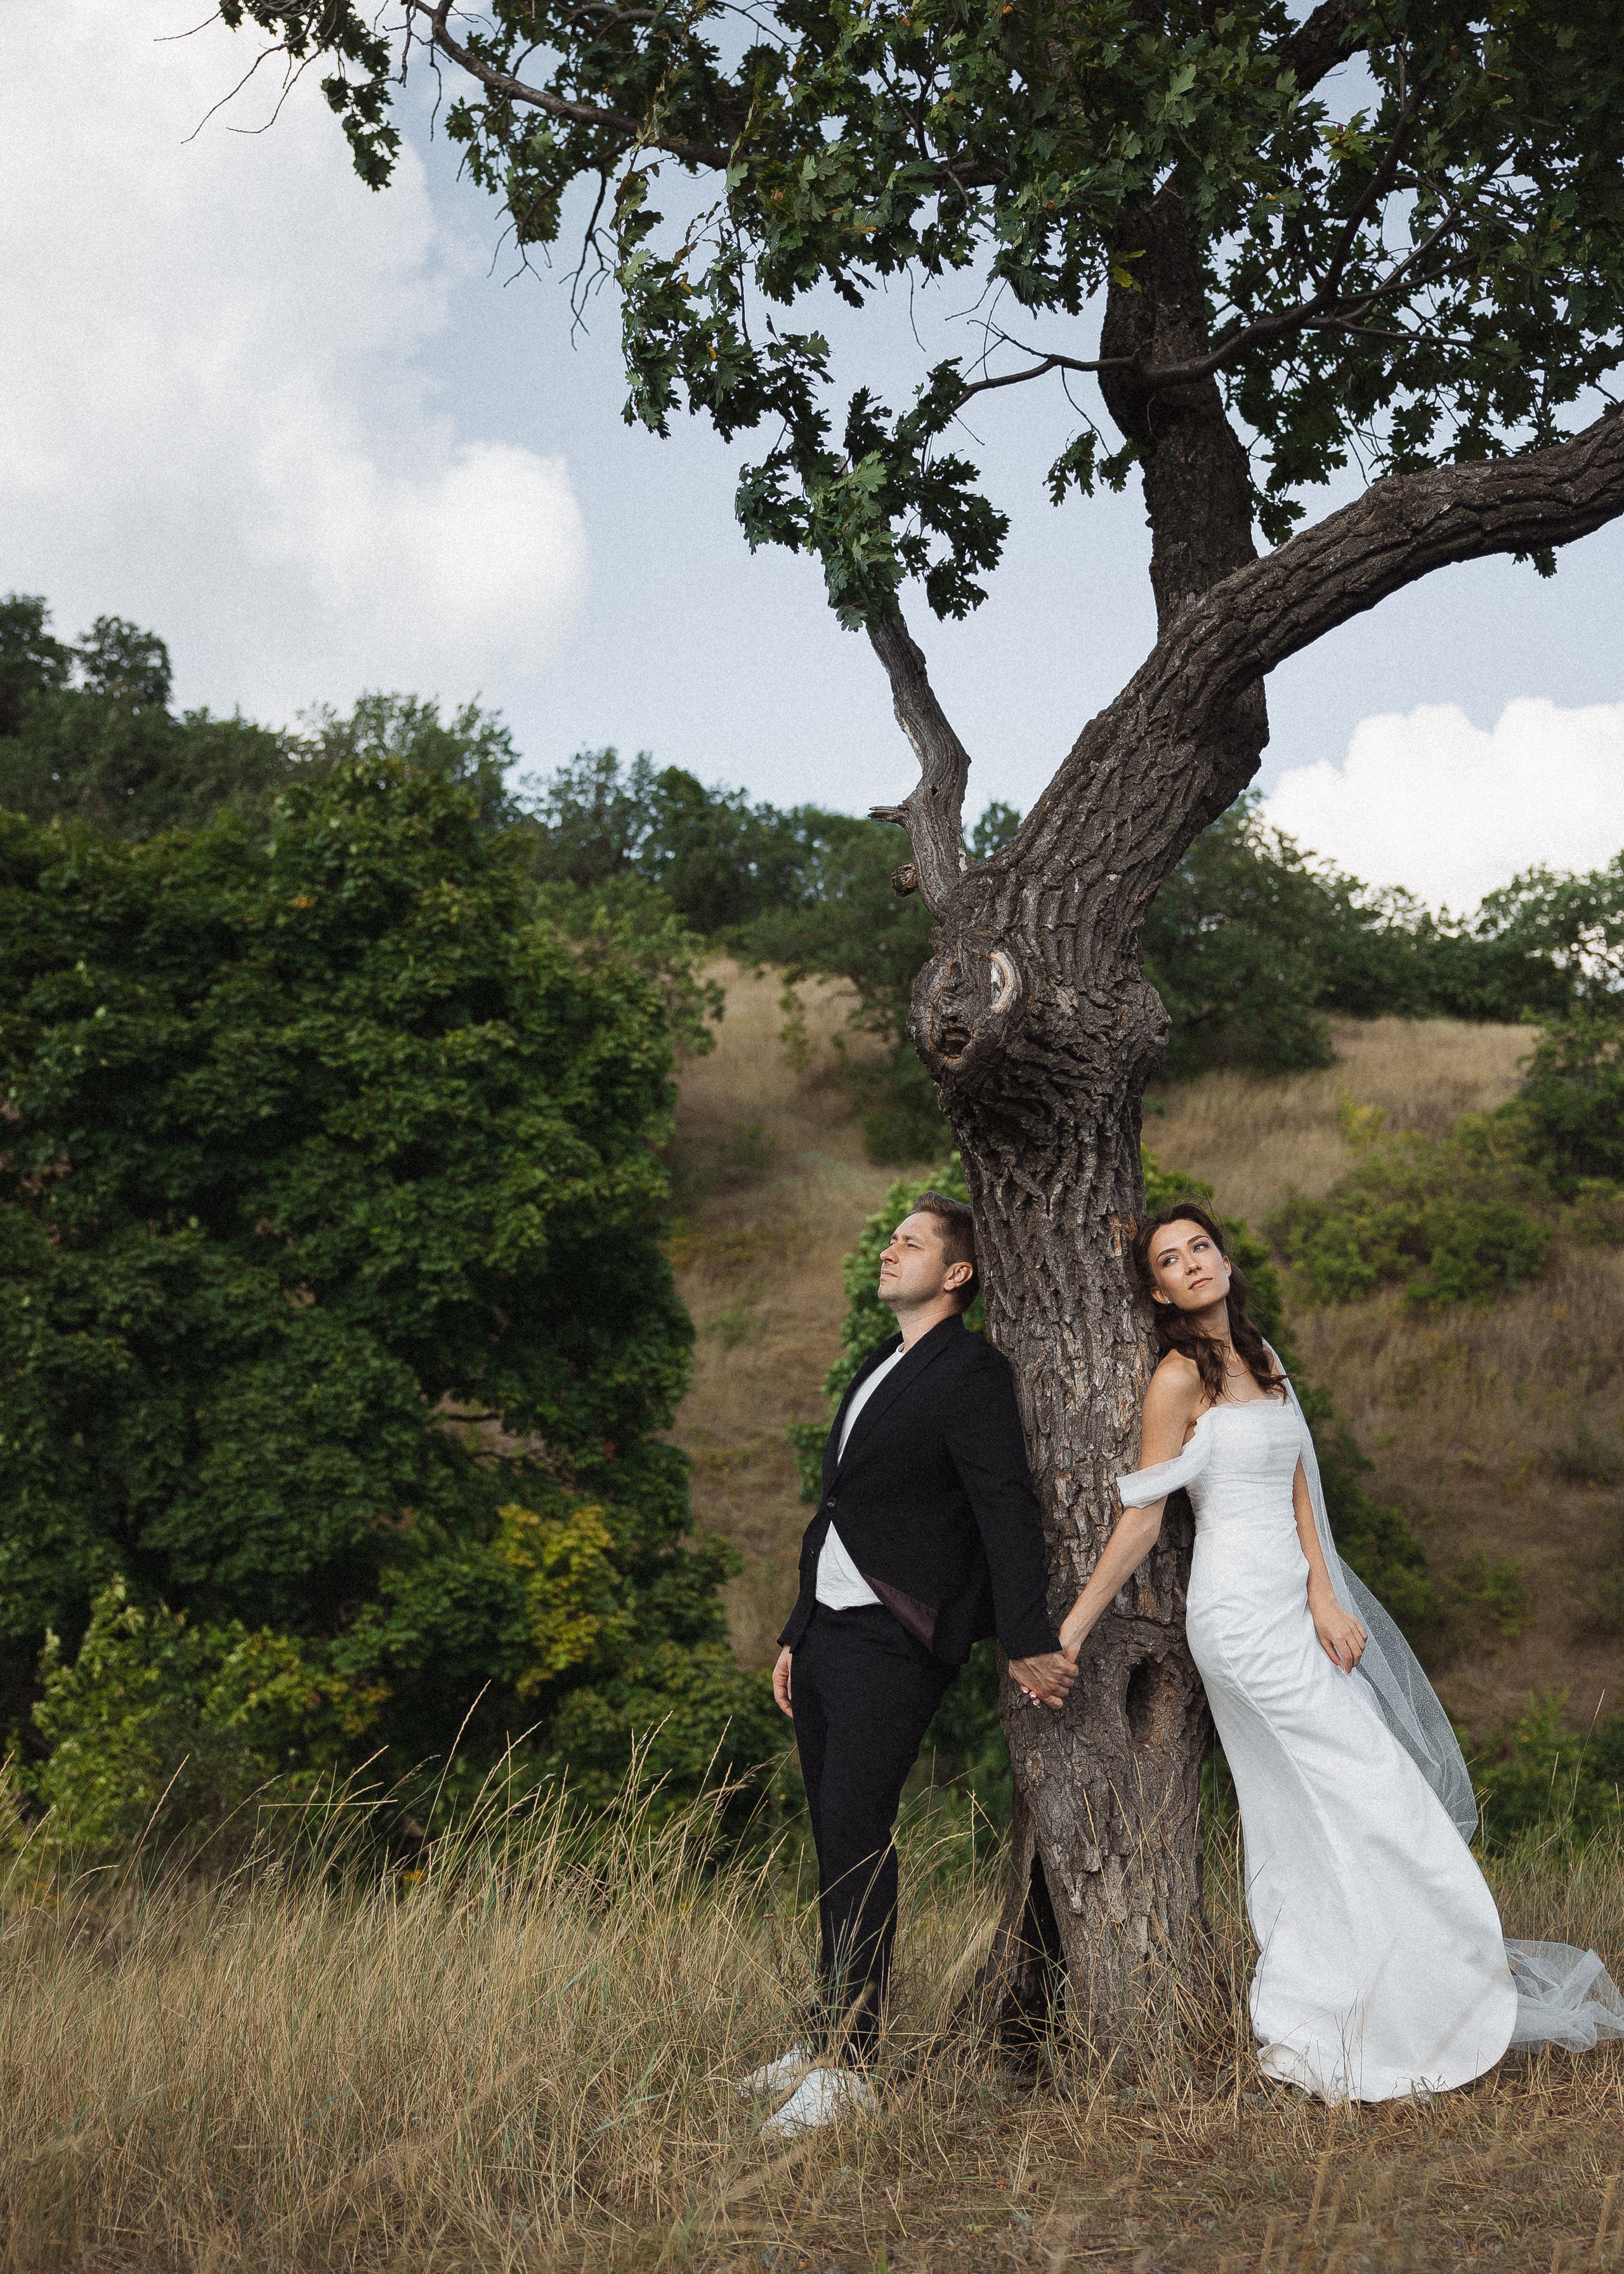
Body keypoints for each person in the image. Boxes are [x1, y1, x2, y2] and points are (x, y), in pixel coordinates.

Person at [1049, 1199, 1624, 2101]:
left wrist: (1325, 1592)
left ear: (1227, 1262)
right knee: (1373, 1788)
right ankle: (1336, 2012)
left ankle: (1393, 1997)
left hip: (1295, 1606)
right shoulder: (1176, 1378)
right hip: (1238, 1624)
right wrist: (1074, 1629)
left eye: (1202, 1247)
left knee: (1322, 1810)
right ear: (1156, 1290)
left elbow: (1301, 1491)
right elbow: (1145, 1515)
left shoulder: (1264, 1358)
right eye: (1171, 1259)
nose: (1194, 1264)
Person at [749, 1192, 1076, 2137]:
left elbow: (1005, 1506)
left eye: (910, 1242)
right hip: (825, 1637)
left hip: (896, 1638)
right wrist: (794, 1626)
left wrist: (1026, 1637)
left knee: (858, 1833)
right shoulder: (877, 1363)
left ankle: (850, 2068)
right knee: (832, 1833)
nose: (889, 1252)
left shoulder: (970, 1374)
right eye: (892, 1241)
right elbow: (838, 1509)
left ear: (959, 1273)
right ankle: (824, 2033)